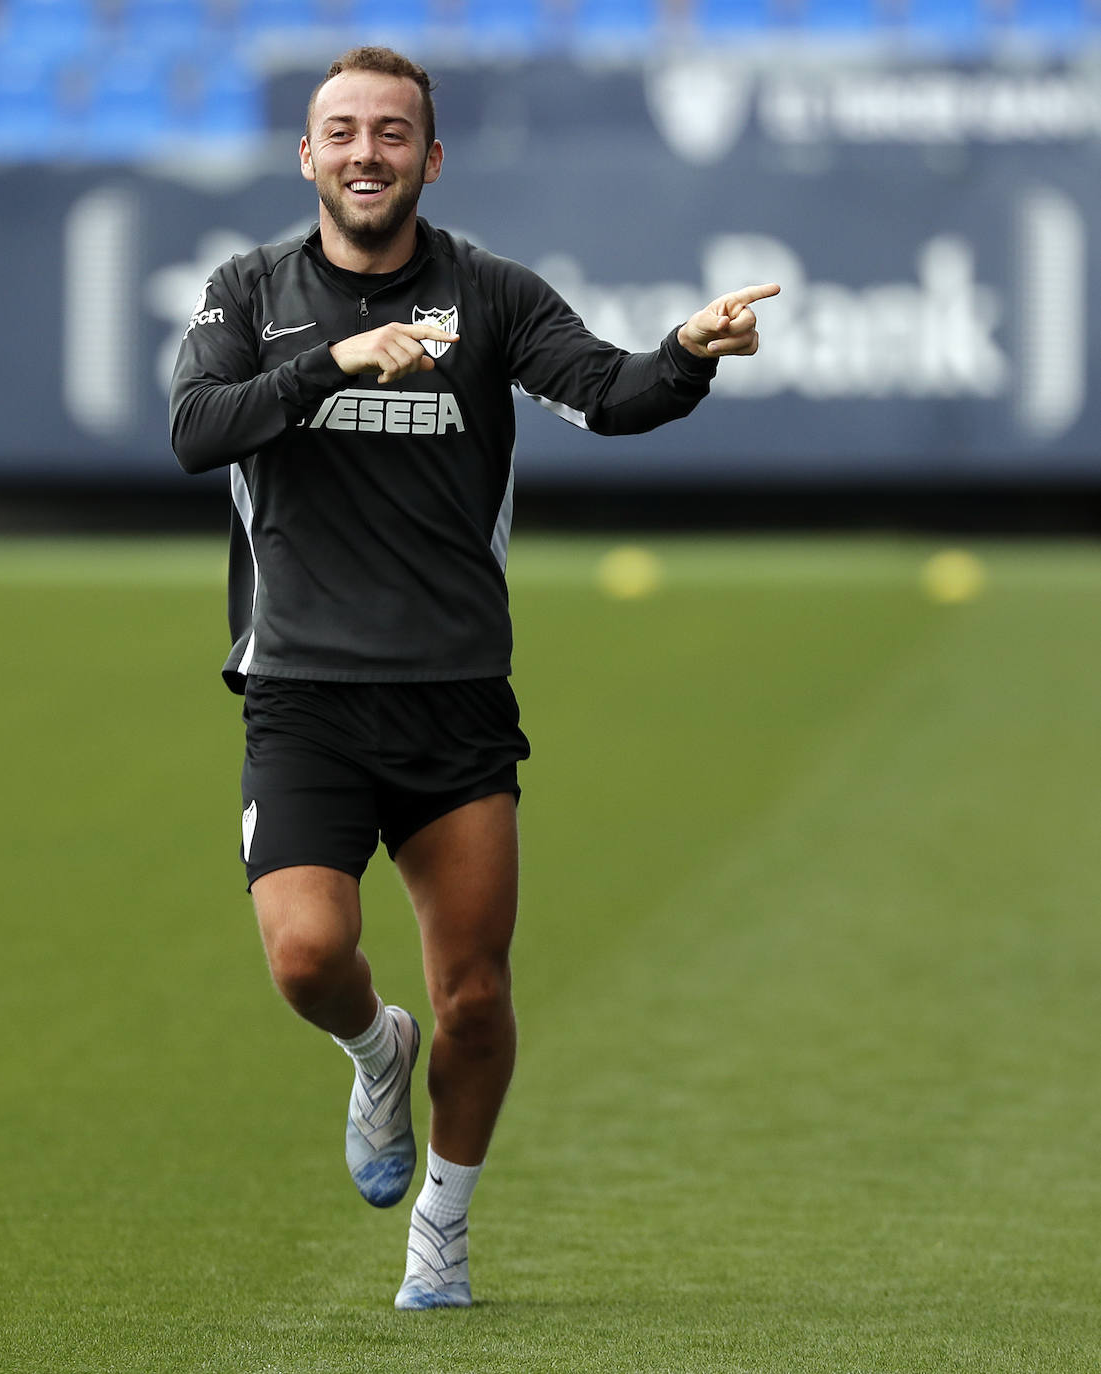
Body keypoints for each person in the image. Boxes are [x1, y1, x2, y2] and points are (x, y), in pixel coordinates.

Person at [169, 45, 778, 1311]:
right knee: (304, 958)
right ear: (306, 154)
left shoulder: (489, 293)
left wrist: (689, 350)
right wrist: (332, 365)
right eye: (341, 131)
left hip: (452, 701)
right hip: (302, 696)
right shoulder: (248, 290)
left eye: (392, 133)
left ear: (429, 159)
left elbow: (609, 394)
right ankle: (371, 1050)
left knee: (481, 998)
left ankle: (441, 1227)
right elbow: (194, 430)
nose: (365, 153)